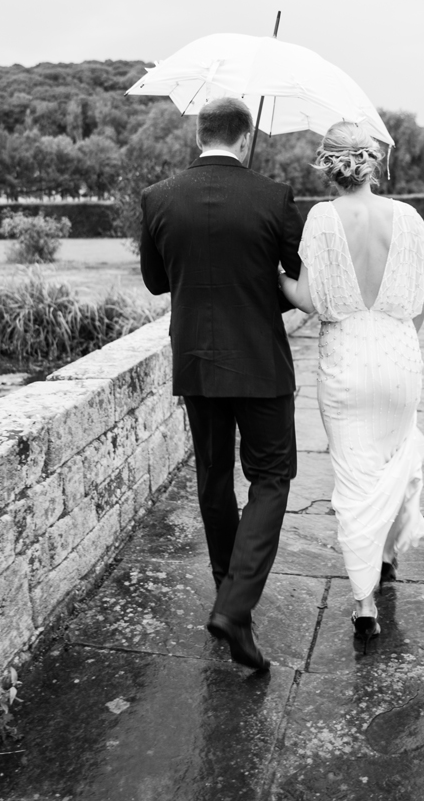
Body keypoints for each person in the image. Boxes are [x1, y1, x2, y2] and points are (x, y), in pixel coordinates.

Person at [140, 97, 304, 670]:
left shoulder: (158, 198)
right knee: (272, 478)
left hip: (197, 364)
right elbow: (296, 279)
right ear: (245, 136)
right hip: (260, 363)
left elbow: (158, 283)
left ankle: (228, 599)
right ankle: (234, 607)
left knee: (213, 478)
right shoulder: (275, 197)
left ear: (199, 135)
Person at [278, 122, 424, 650]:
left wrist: (277, 279)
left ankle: (364, 603)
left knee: (354, 479)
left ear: (328, 165)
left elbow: (311, 299)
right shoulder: (409, 219)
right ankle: (387, 556)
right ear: (372, 163)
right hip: (398, 359)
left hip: (345, 361)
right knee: (395, 461)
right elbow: (421, 305)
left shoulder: (322, 219)